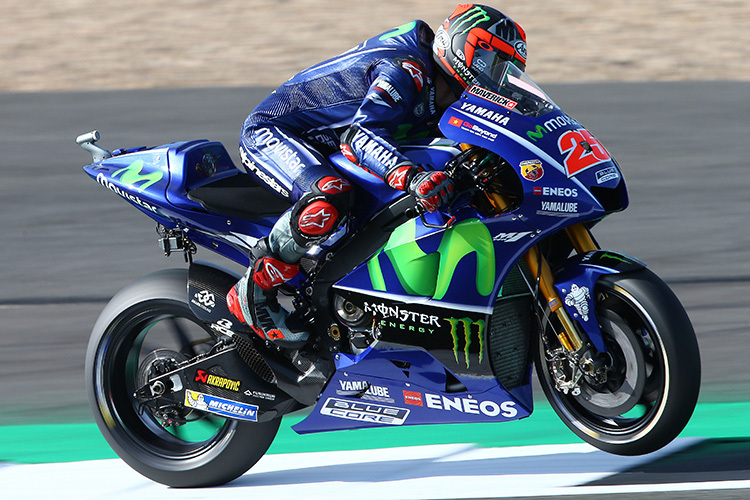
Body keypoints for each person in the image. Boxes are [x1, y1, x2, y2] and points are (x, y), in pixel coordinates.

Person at [226, 4, 528, 346]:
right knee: (331, 194)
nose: (500, 78)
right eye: (494, 63)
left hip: (330, 143)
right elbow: (360, 137)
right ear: (460, 48)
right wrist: (411, 177)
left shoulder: (451, 93)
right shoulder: (406, 68)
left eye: (510, 71)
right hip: (276, 132)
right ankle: (254, 291)